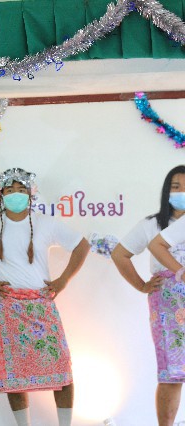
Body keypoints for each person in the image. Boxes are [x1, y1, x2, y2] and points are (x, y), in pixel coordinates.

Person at [0, 168, 89, 426]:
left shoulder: (46, 223)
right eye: (10, 190)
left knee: (62, 372)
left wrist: (63, 279)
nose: (15, 194)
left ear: (30, 194)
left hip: (42, 304)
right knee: (13, 376)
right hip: (8, 307)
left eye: (21, 190)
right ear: (0, 195)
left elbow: (81, 245)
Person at [121, 165, 185, 425]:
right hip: (168, 302)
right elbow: (120, 254)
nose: (182, 192)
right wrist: (141, 285)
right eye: (176, 186)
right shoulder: (152, 224)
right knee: (173, 372)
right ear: (166, 190)